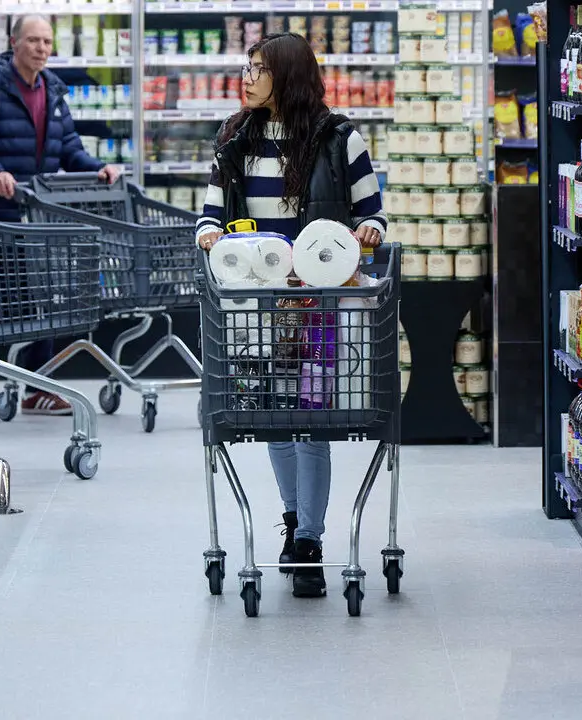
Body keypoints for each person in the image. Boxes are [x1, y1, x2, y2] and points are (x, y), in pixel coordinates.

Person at [196, 33, 386, 599]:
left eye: (258, 69)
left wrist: (369, 232)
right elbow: (208, 215)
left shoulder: (338, 139)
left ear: (288, 75)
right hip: (256, 305)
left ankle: (309, 538)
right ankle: (291, 519)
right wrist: (209, 235)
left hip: (319, 302)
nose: (247, 78)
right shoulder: (234, 138)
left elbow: (372, 213)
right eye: (246, 68)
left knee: (312, 422)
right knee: (276, 419)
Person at [0, 14, 122, 417]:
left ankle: (36, 385)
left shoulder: (52, 89)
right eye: (33, 41)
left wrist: (96, 167)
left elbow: (67, 147)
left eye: (47, 42)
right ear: (14, 43)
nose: (42, 49)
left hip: (40, 211)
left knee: (41, 295)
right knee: (0, 299)